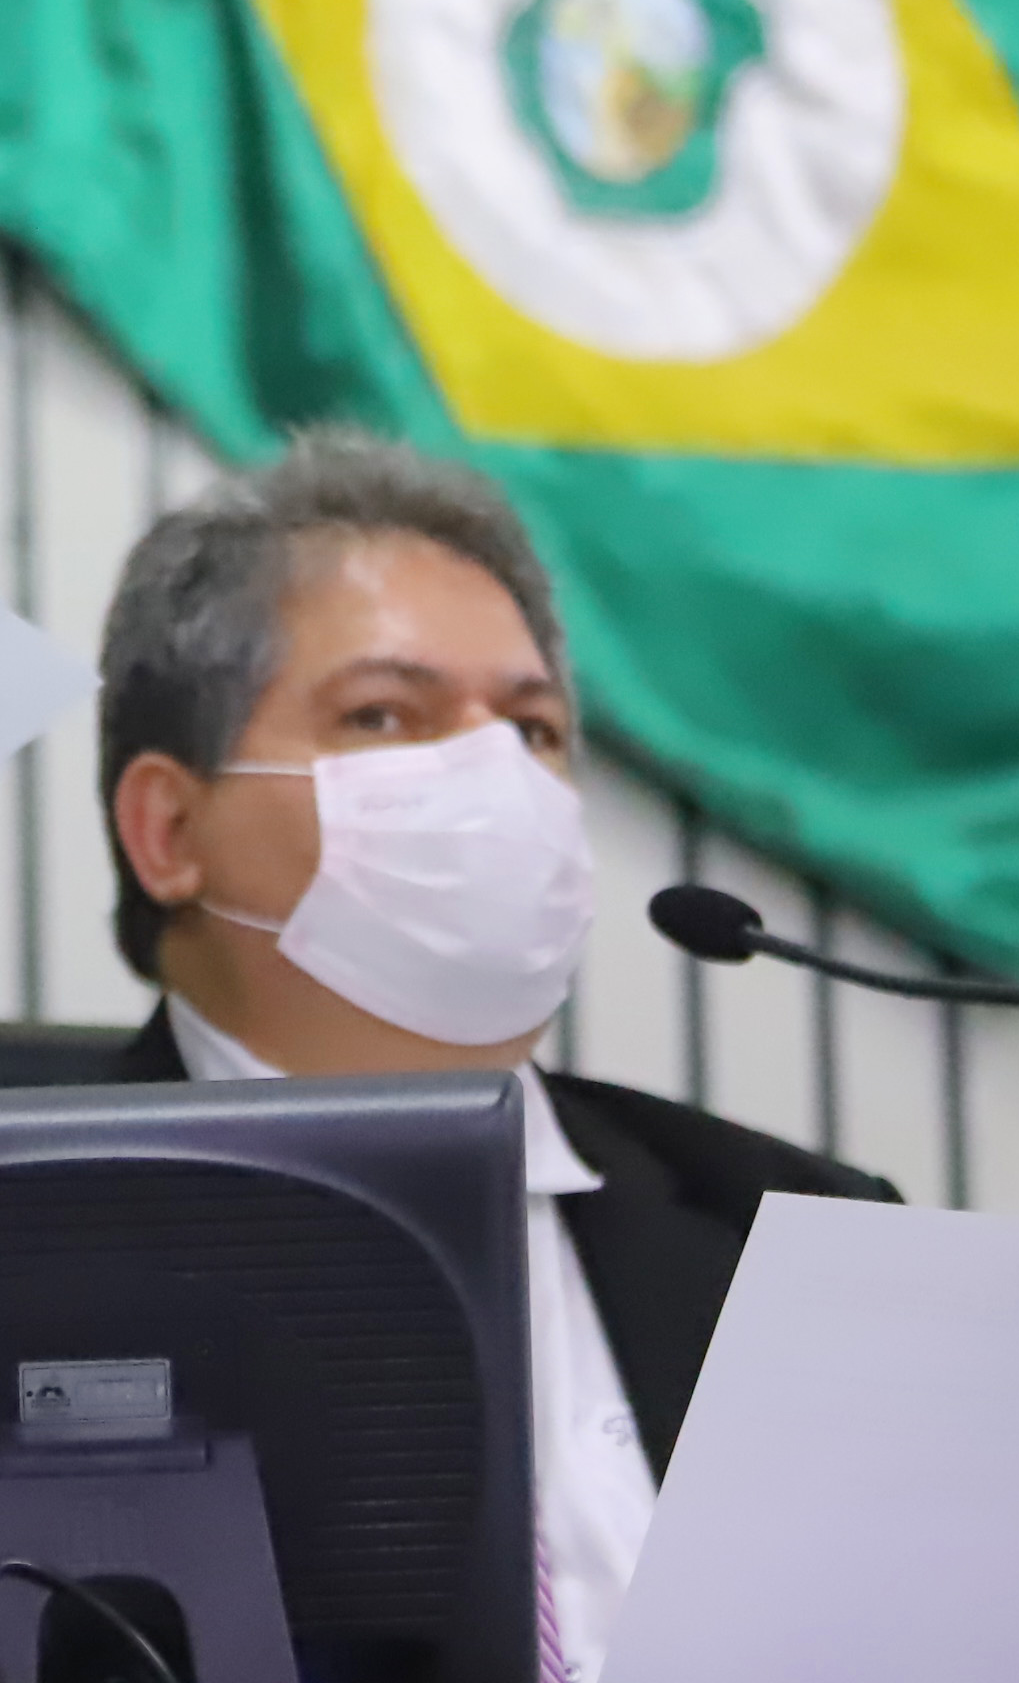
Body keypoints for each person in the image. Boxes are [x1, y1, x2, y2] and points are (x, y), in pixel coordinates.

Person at [96, 433, 894, 1683]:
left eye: (531, 729)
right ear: (169, 829)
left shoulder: (803, 1235)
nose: (495, 780)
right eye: (383, 714)